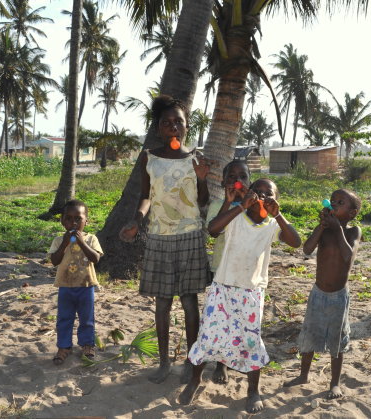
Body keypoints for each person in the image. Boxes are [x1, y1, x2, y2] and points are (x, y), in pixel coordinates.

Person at [179, 178, 301, 414]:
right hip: (223, 288)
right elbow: (213, 229)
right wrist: (238, 205)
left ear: (276, 200)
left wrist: (278, 215)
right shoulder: (237, 217)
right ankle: (195, 380)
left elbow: (296, 243)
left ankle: (253, 390)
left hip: (251, 293)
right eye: (259, 192)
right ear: (249, 195)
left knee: (250, 341)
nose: (263, 197)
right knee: (207, 337)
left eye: (269, 194)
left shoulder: (272, 225)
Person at [119, 94, 211, 384]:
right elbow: (146, 197)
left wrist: (203, 178)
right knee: (162, 302)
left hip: (190, 236)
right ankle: (162, 363)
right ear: (158, 128)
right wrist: (137, 220)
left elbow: (204, 201)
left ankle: (191, 361)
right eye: (167, 122)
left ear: (186, 127)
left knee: (189, 301)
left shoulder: (195, 158)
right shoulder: (150, 158)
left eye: (178, 122)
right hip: (159, 236)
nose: (173, 127)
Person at [283, 189, 362, 399]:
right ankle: (303, 375)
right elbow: (307, 249)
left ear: (352, 213)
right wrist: (322, 226)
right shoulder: (325, 229)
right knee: (310, 334)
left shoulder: (353, 231)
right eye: (333, 201)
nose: (334, 204)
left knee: (337, 340)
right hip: (318, 293)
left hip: (338, 296)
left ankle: (334, 383)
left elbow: (348, 257)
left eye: (340, 202)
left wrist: (337, 230)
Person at [205, 159, 251, 385]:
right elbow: (214, 231)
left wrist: (248, 204)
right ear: (223, 182)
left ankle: (239, 360)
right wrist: (229, 203)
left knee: (243, 318)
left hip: (247, 272)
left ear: (249, 181)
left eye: (242, 176)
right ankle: (221, 364)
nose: (237, 181)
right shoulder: (218, 205)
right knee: (223, 319)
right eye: (231, 177)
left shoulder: (255, 206)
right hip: (223, 271)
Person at [48, 199, 103, 365]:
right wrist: (65, 242)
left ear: (86, 220)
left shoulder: (91, 238)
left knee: (87, 318)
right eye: (69, 218)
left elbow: (95, 258)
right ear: (62, 221)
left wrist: (81, 241)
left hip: (86, 286)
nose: (73, 222)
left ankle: (87, 345)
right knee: (65, 318)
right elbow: (55, 261)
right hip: (65, 286)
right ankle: (64, 346)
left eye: (78, 219)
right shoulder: (58, 240)